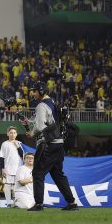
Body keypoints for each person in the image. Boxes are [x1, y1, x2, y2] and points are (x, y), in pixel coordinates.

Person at [22, 81, 78, 211]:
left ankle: (39, 204)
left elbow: (41, 126)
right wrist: (29, 121)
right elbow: (48, 121)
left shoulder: (41, 105)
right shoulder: (53, 104)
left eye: (35, 91)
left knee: (37, 173)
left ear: (41, 91)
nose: (33, 93)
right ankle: (72, 203)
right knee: (58, 174)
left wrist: (31, 133)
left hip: (48, 144)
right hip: (59, 144)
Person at [0, 126, 24, 208]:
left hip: (18, 169)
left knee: (17, 187)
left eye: (14, 133)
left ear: (16, 134)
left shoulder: (19, 143)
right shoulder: (4, 144)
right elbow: (1, 157)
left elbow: (23, 156)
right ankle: (8, 203)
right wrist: (3, 168)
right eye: (11, 133)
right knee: (8, 185)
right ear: (8, 134)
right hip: (8, 169)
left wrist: (18, 146)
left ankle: (16, 203)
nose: (12, 134)